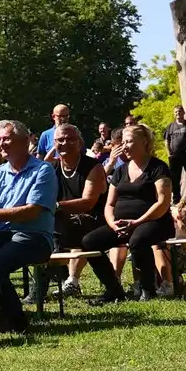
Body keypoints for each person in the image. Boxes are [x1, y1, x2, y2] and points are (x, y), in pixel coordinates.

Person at [0, 121, 58, 333]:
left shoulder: (43, 171)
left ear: (25, 142)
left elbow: (32, 211)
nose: (1, 143)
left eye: (7, 139)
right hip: (1, 233)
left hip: (34, 236)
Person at [79, 124, 175, 301]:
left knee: (138, 239)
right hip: (121, 225)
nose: (125, 146)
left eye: (129, 141)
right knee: (89, 241)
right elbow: (110, 204)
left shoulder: (158, 168)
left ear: (144, 142)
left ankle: (148, 289)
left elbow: (162, 202)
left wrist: (137, 222)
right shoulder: (120, 171)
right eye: (123, 142)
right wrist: (112, 224)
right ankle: (113, 289)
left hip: (154, 222)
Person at [47, 124, 109, 299]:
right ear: (54, 143)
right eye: (60, 140)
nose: (65, 143)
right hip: (67, 222)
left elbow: (88, 202)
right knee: (45, 231)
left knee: (77, 236)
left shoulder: (93, 167)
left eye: (70, 139)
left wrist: (57, 206)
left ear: (80, 142)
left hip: (99, 219)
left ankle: (46, 287)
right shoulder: (53, 169)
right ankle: (64, 281)